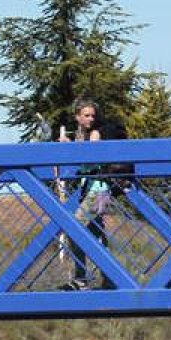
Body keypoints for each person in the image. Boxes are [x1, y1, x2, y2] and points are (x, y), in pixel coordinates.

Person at [58, 97, 116, 290]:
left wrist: (70, 148)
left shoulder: (95, 135)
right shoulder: (80, 136)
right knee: (95, 235)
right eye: (86, 115)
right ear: (77, 117)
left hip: (98, 191)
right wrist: (68, 144)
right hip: (93, 191)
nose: (91, 118)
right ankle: (109, 278)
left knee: (75, 228)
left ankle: (82, 279)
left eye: (93, 115)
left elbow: (89, 160)